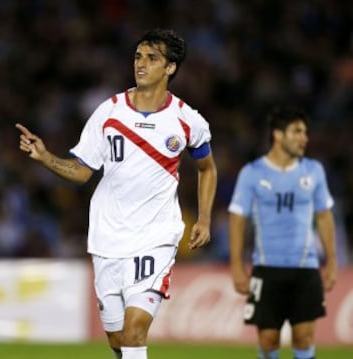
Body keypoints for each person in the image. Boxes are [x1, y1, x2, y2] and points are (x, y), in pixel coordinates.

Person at [16, 28, 217, 359]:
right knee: (118, 340)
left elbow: (207, 168)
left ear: (171, 68)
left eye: (152, 59)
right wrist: (45, 157)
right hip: (107, 238)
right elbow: (82, 171)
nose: (141, 64)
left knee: (135, 331)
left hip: (156, 237)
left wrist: (205, 219)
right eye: (138, 57)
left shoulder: (187, 120)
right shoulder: (109, 112)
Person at [228, 106, 337, 359]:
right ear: (278, 135)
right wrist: (236, 266)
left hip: (306, 268)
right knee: (268, 339)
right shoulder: (252, 173)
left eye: (306, 132)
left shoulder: (313, 171)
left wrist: (331, 260)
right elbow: (237, 219)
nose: (304, 138)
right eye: (297, 131)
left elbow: (324, 215)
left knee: (304, 337)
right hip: (266, 268)